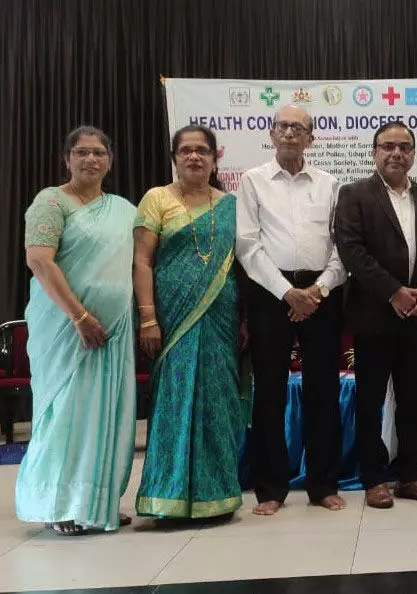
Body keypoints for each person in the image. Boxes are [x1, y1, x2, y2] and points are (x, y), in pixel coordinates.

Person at [14, 126, 136, 535]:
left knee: (106, 413)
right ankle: (59, 504)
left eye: (99, 152)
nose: (91, 159)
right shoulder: (50, 202)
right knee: (65, 410)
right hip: (65, 329)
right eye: (82, 152)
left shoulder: (123, 209)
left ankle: (96, 502)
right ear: (67, 159)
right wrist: (79, 317)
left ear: (110, 160)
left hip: (113, 332)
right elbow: (39, 261)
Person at [332, 122, 417, 509]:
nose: (396, 153)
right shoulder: (354, 194)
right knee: (370, 401)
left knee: (413, 399)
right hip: (374, 315)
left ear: (414, 154)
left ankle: (410, 476)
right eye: (388, 146)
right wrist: (394, 292)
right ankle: (373, 479)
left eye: (404, 147)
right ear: (374, 152)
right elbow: (351, 250)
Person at [133, 125, 248, 519]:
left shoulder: (232, 205)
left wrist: (244, 318)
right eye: (186, 150)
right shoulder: (157, 199)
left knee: (219, 399)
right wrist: (148, 317)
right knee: (175, 396)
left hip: (221, 315)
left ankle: (218, 496)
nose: (194, 156)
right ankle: (168, 496)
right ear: (175, 158)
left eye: (202, 150)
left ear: (215, 159)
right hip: (172, 316)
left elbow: (242, 266)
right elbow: (142, 261)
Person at [236, 105, 346, 515]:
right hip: (270, 293)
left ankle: (323, 485)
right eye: (282, 126)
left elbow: (342, 247)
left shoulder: (329, 183)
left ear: (311, 138)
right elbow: (248, 245)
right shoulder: (253, 181)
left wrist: (317, 290)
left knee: (324, 390)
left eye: (298, 127)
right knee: (269, 392)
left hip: (321, 293)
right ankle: (271, 488)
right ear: (271, 133)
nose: (289, 133)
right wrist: (288, 293)